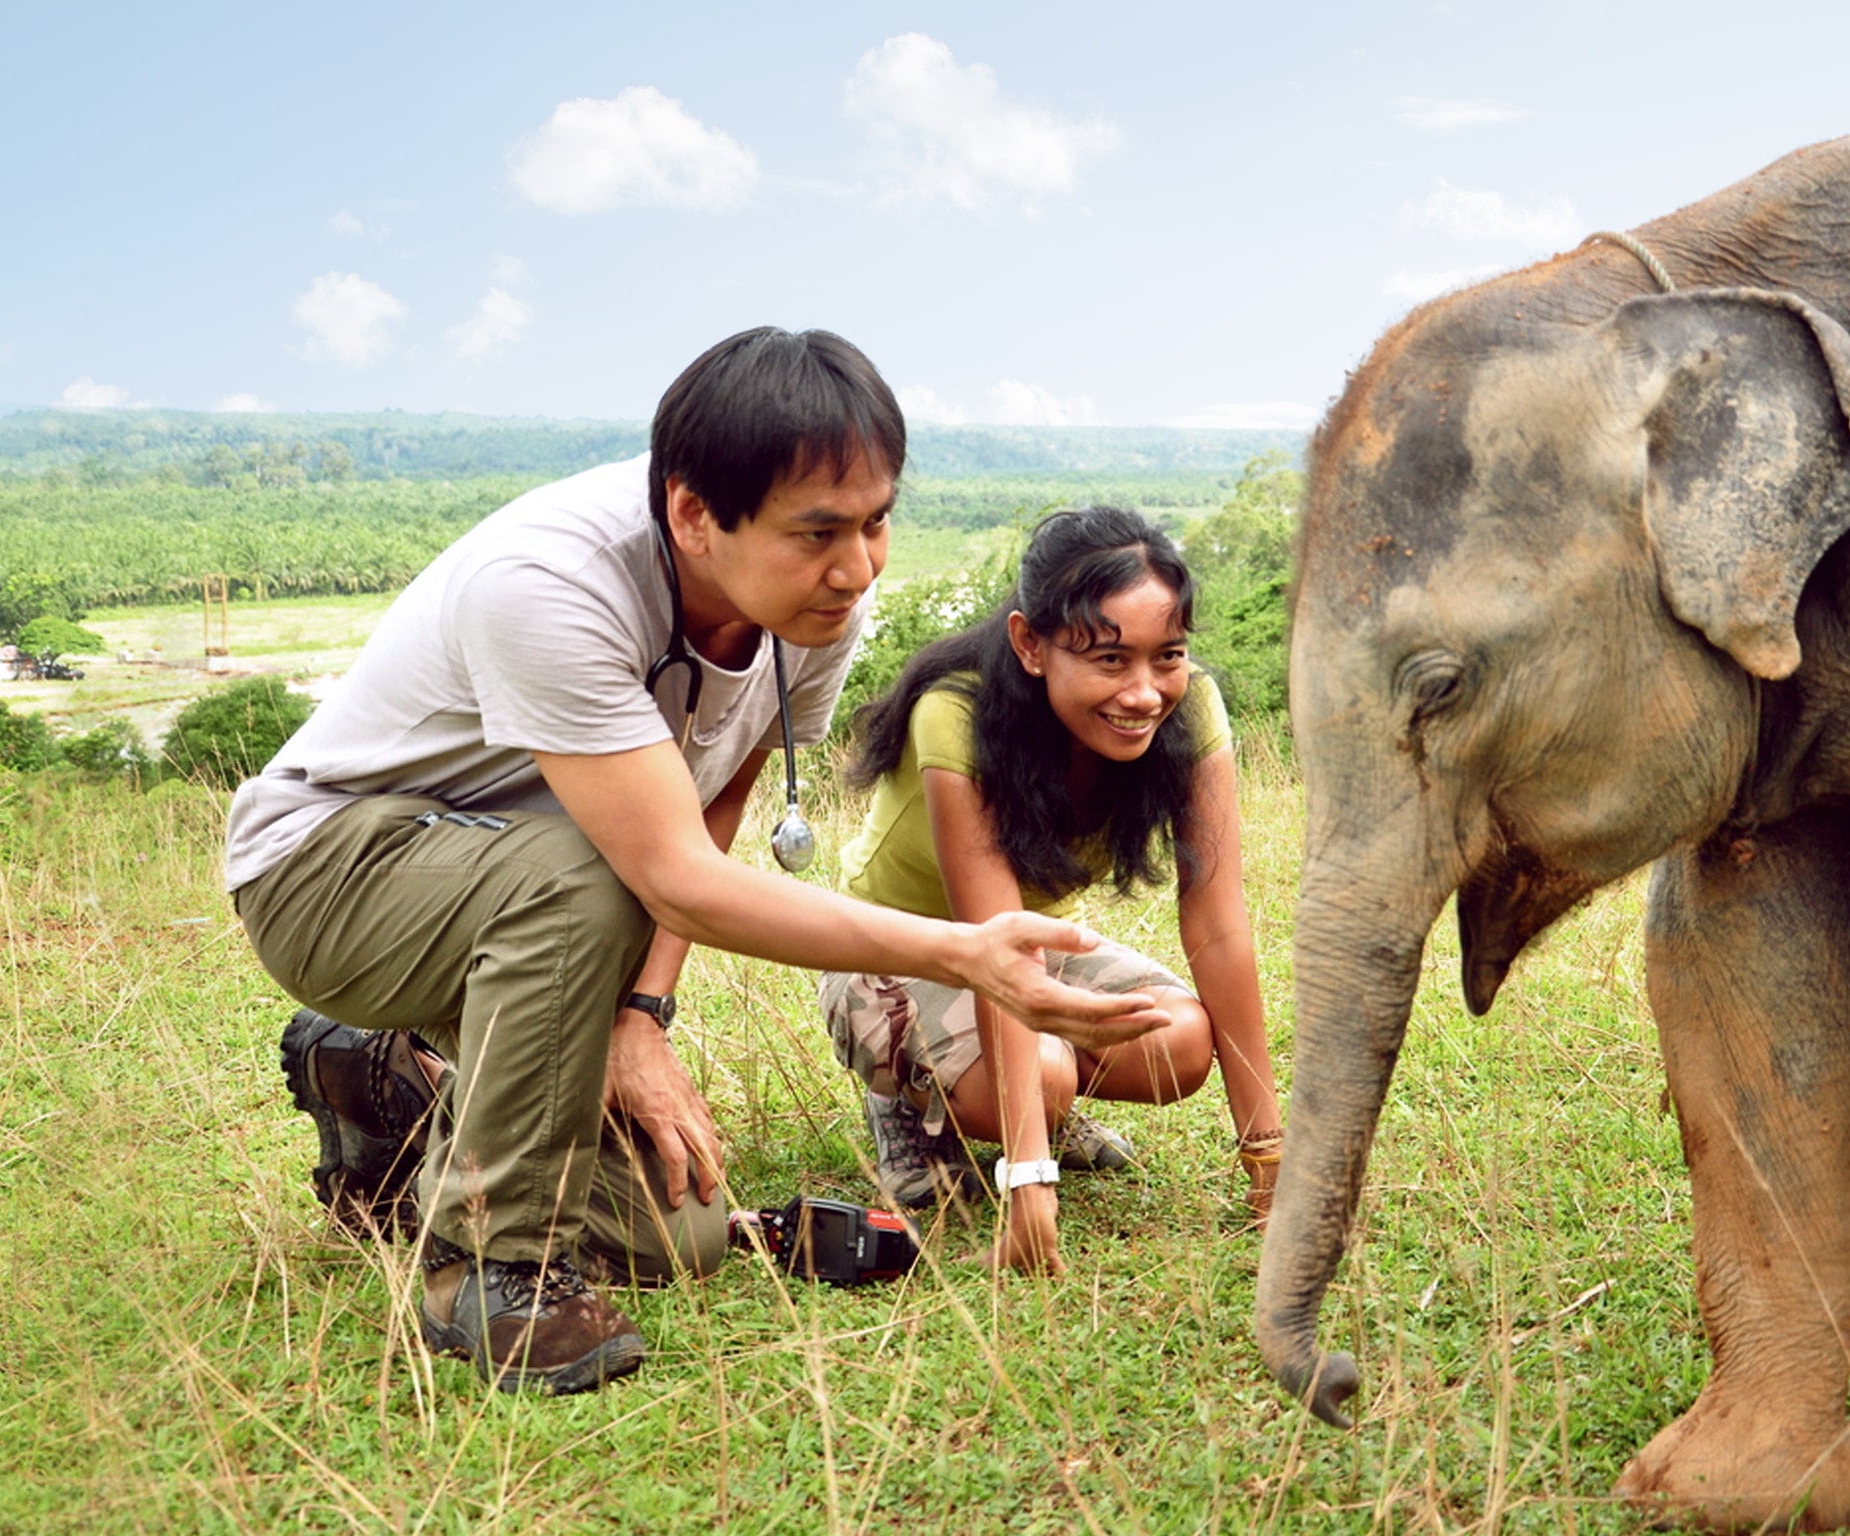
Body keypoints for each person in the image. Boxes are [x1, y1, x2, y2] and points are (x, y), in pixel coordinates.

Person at [230, 328, 1177, 1396]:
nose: (857, 568)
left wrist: (641, 1016)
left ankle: (391, 1091)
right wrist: (963, 954)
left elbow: (713, 796)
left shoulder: (809, 606)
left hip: (523, 901)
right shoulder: (547, 585)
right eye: (817, 532)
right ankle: (486, 1268)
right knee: (583, 877)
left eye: (875, 522)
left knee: (672, 1232)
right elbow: (670, 874)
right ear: (691, 512)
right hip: (331, 874)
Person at [825, 507, 1284, 1275]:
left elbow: (1217, 924)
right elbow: (993, 945)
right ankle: (913, 1107)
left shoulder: (1192, 707)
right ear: (1030, 645)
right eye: (1110, 659)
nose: (1144, 693)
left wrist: (1269, 1156)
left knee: (1179, 1042)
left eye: (1167, 656)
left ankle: (1038, 1098)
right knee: (1042, 1072)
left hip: (1028, 945)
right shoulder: (957, 714)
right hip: (894, 957)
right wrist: (1030, 1183)